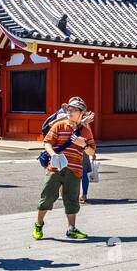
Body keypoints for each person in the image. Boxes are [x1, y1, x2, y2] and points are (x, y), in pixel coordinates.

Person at [34, 100, 94, 241]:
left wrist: (84, 145)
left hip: (74, 170)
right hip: (55, 168)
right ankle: (38, 224)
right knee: (47, 197)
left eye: (73, 110)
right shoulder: (59, 125)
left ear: (81, 113)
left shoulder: (85, 130)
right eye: (69, 109)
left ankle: (71, 229)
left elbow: (92, 152)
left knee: (72, 200)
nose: (70, 112)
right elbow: (47, 142)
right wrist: (53, 154)